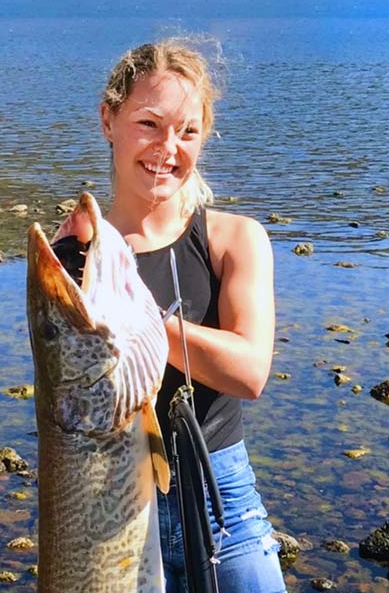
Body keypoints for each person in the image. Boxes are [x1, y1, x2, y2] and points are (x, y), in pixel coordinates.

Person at [99, 39, 286, 593]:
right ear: (108, 119)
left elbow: (249, 372)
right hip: (114, 502)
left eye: (187, 131)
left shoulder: (233, 239)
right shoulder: (77, 258)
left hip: (222, 493)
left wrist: (140, 318)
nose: (168, 148)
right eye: (150, 124)